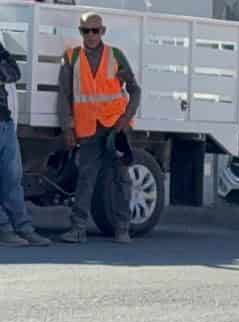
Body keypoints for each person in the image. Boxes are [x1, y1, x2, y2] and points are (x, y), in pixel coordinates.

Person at [56, 12, 139, 244]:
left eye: (95, 30)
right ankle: (78, 229)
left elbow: (135, 90)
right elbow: (64, 95)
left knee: (121, 178)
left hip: (116, 126)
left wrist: (126, 118)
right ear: (80, 31)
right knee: (86, 177)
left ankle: (123, 228)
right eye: (86, 31)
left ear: (103, 31)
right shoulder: (71, 57)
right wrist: (67, 128)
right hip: (88, 128)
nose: (90, 35)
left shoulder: (116, 56)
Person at [0, 37, 50, 246]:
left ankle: (24, 228)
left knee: (13, 180)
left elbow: (14, 72)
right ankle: (4, 230)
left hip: (4, 121)